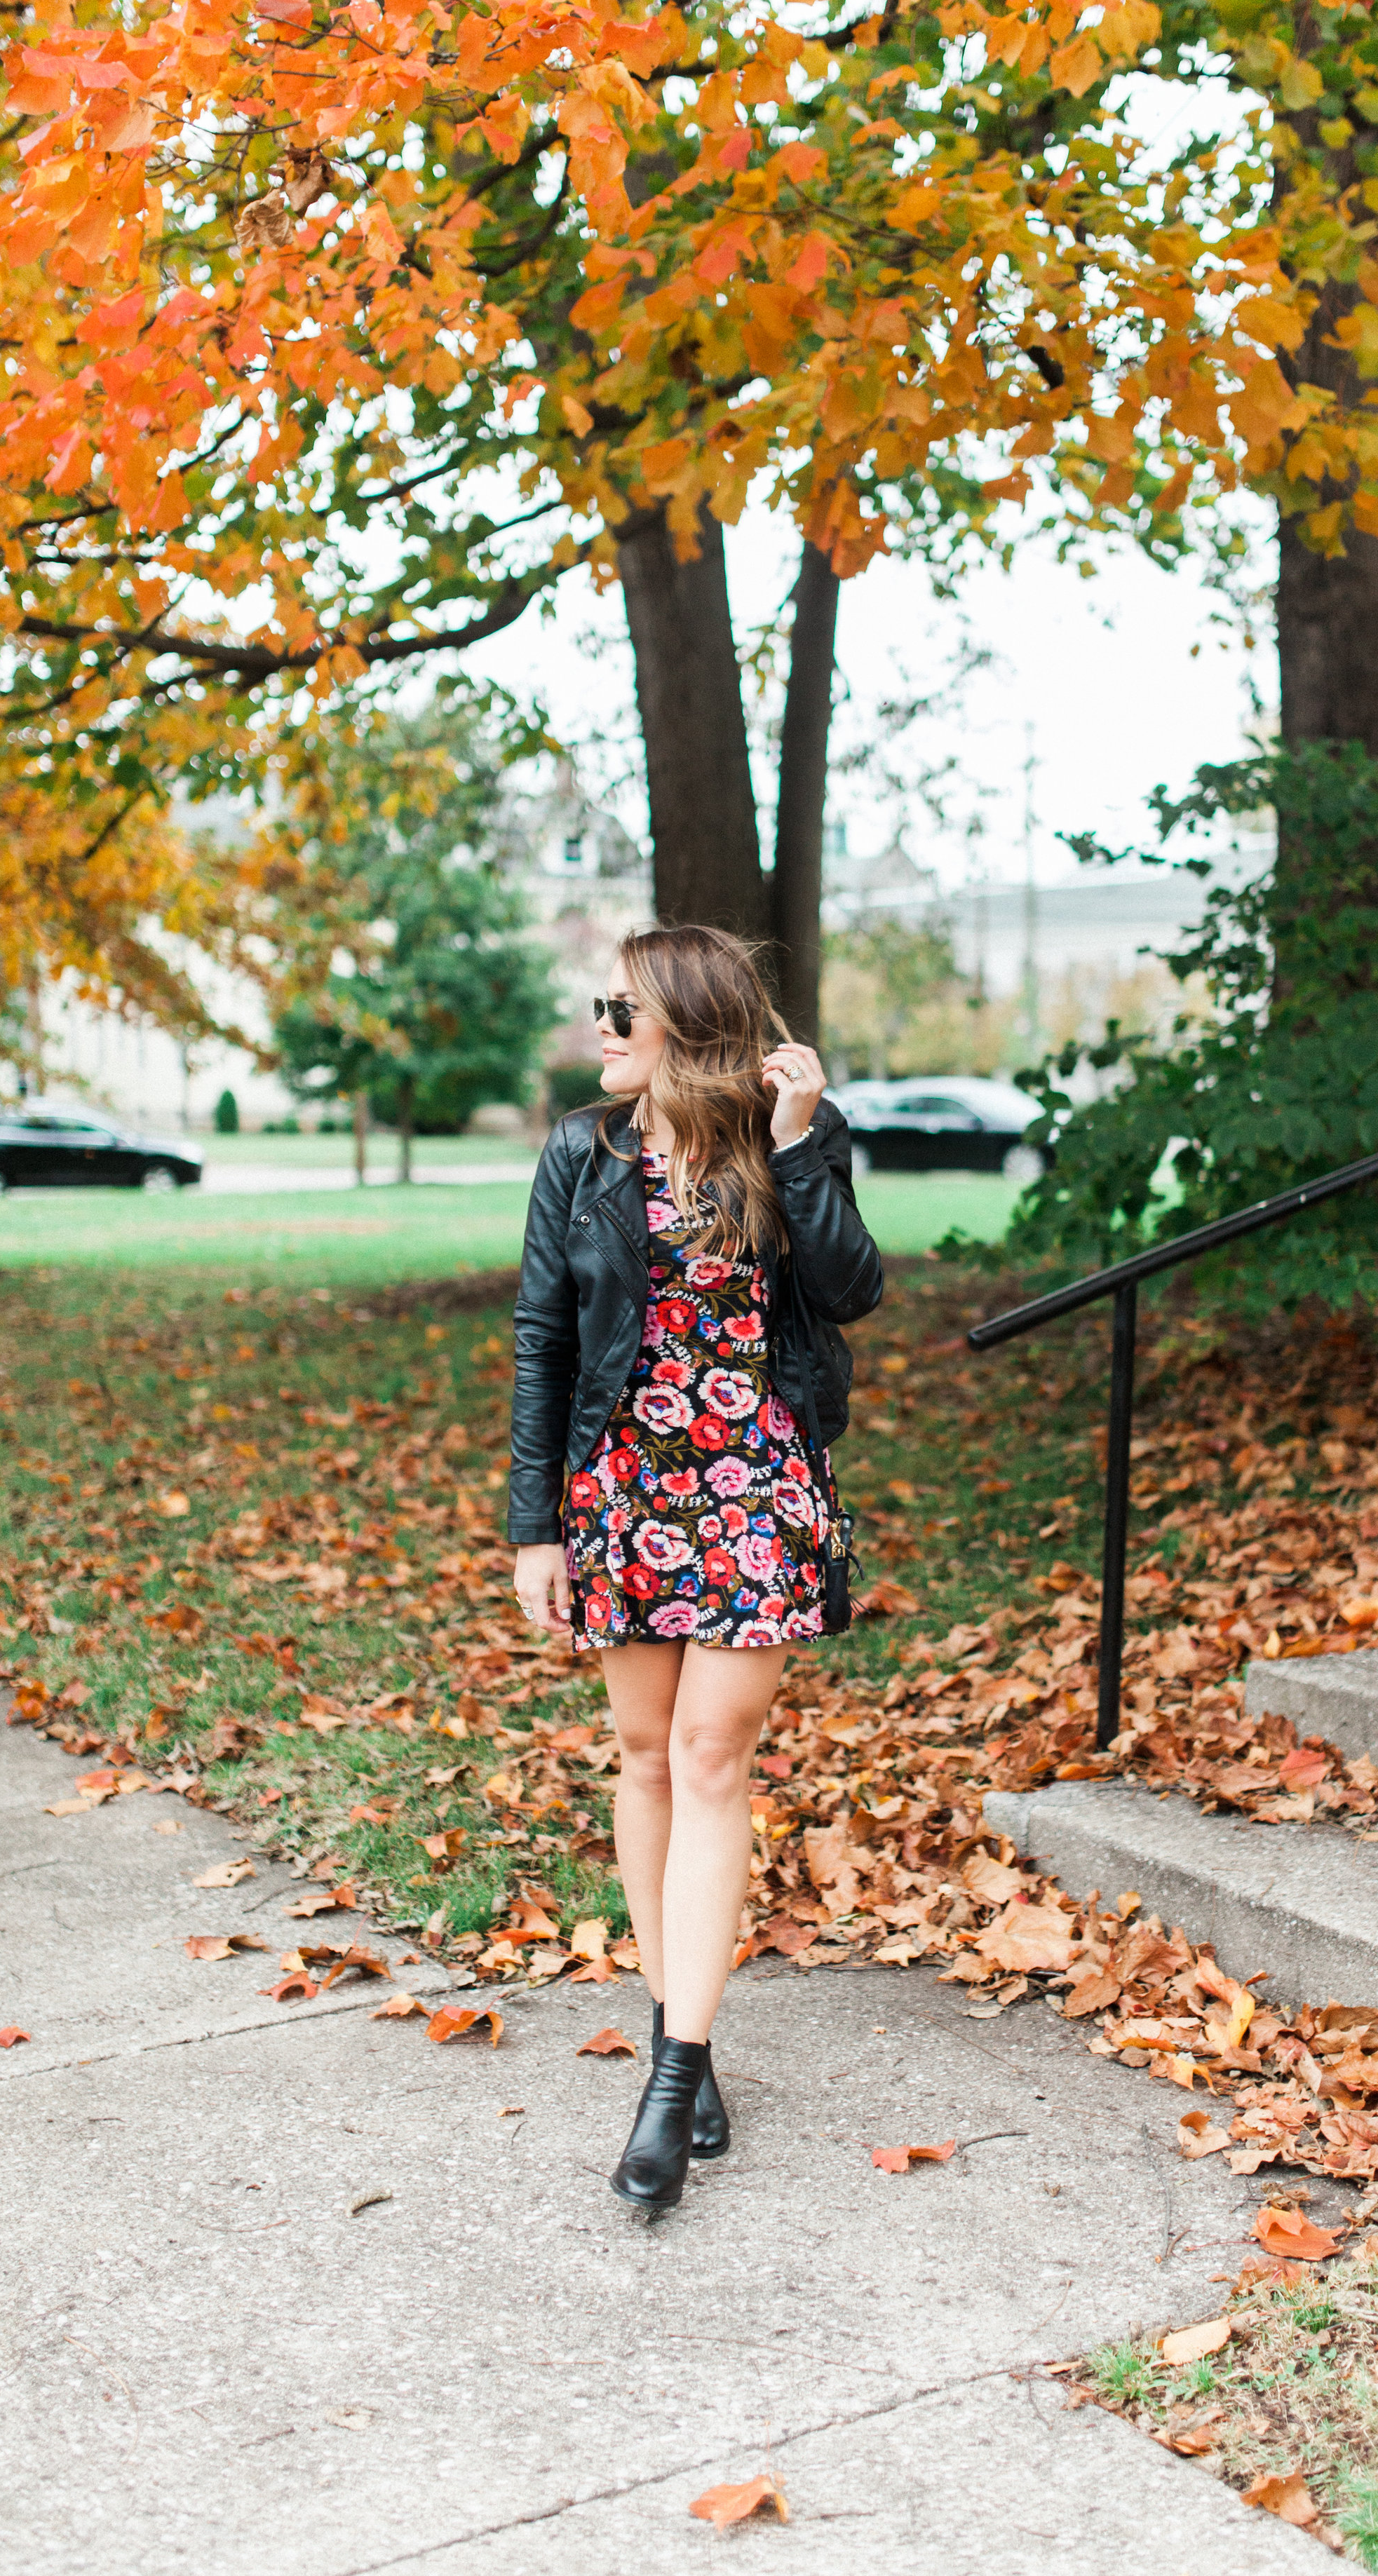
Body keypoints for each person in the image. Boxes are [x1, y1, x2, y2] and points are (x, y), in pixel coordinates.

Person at [509, 925, 884, 2213]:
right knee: (643, 1754)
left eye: (625, 1008)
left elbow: (851, 1288)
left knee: (712, 1757)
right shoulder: (581, 1151)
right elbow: (541, 1343)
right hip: (624, 1487)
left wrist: (800, 1137)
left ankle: (673, 2074)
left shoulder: (788, 1139)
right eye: (601, 1006)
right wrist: (533, 1528)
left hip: (757, 1485)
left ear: (689, 1022)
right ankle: (687, 2019)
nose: (603, 1027)